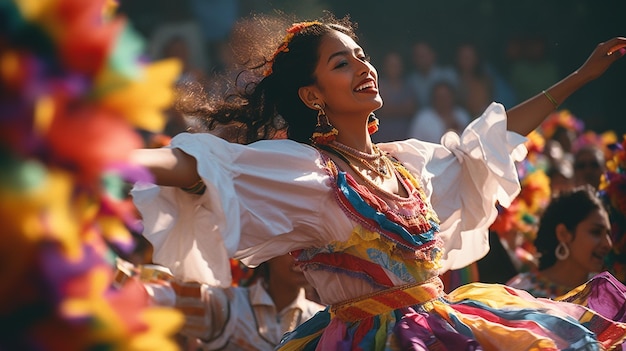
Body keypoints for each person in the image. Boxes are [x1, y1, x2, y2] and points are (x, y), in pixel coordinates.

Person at [129, 13, 626, 350]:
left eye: (362, 56)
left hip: (445, 327)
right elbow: (207, 167)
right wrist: (106, 153)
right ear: (312, 94)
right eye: (341, 63)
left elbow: (488, 143)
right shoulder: (307, 171)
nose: (364, 67)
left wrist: (581, 76)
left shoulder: (409, 164)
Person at [142, 254, 324, 350]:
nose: (301, 259)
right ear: (267, 253)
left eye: (312, 249)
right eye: (292, 249)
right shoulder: (227, 302)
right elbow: (155, 294)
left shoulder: (326, 321)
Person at [507, 185, 613, 298]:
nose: (608, 244)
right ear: (563, 234)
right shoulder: (520, 292)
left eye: (608, 234)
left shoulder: (606, 299)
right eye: (596, 232)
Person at [373, 51, 418, 142]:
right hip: (383, 134)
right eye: (391, 65)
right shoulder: (378, 85)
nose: (394, 68)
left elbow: (411, 110)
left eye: (396, 65)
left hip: (405, 134)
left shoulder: (408, 86)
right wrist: (402, 108)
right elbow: (382, 111)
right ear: (384, 66)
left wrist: (390, 108)